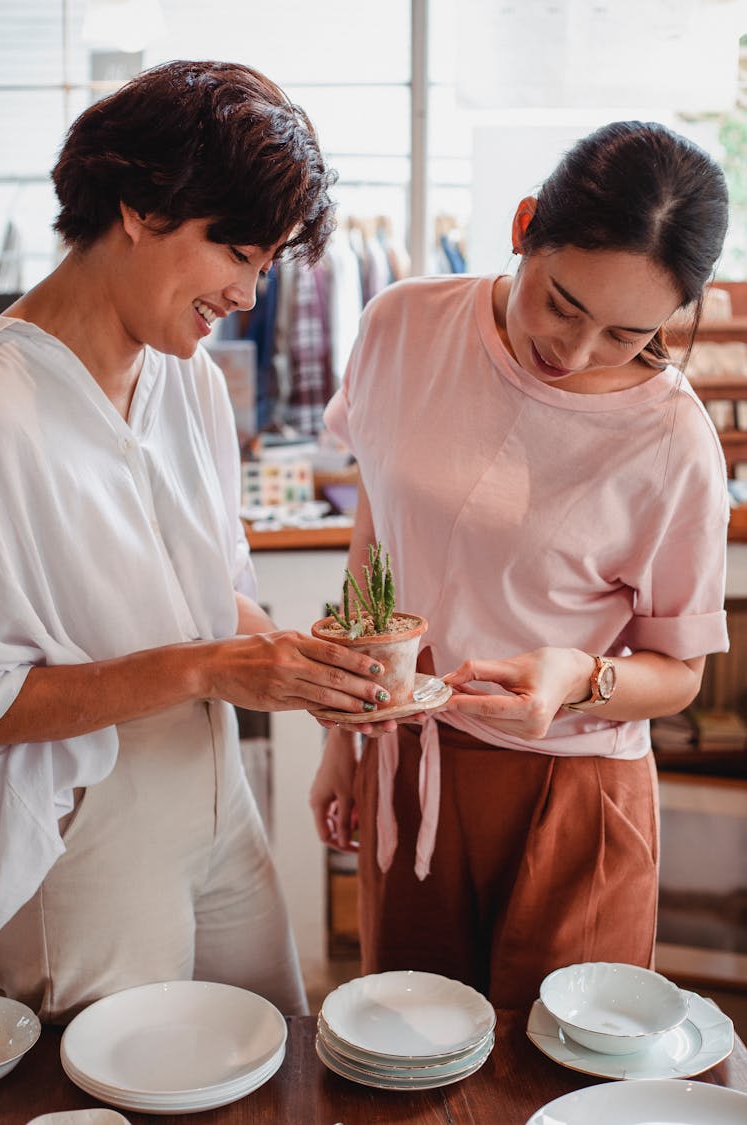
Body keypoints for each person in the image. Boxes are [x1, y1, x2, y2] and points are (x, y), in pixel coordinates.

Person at [0, 59, 391, 1024]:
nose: (250, 295)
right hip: (85, 823)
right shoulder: (6, 409)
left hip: (218, 791)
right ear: (138, 205)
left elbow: (218, 601)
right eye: (238, 253)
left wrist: (317, 665)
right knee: (117, 1091)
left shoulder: (192, 382)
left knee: (273, 1062)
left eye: (265, 267)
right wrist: (210, 666)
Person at [310, 120, 730, 1009]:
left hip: (573, 792)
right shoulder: (402, 324)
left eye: (625, 333)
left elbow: (680, 673)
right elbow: (378, 530)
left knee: (557, 1081)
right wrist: (346, 733)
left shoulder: (674, 441)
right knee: (407, 1056)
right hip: (411, 759)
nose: (573, 353)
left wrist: (577, 675)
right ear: (525, 225)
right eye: (562, 304)